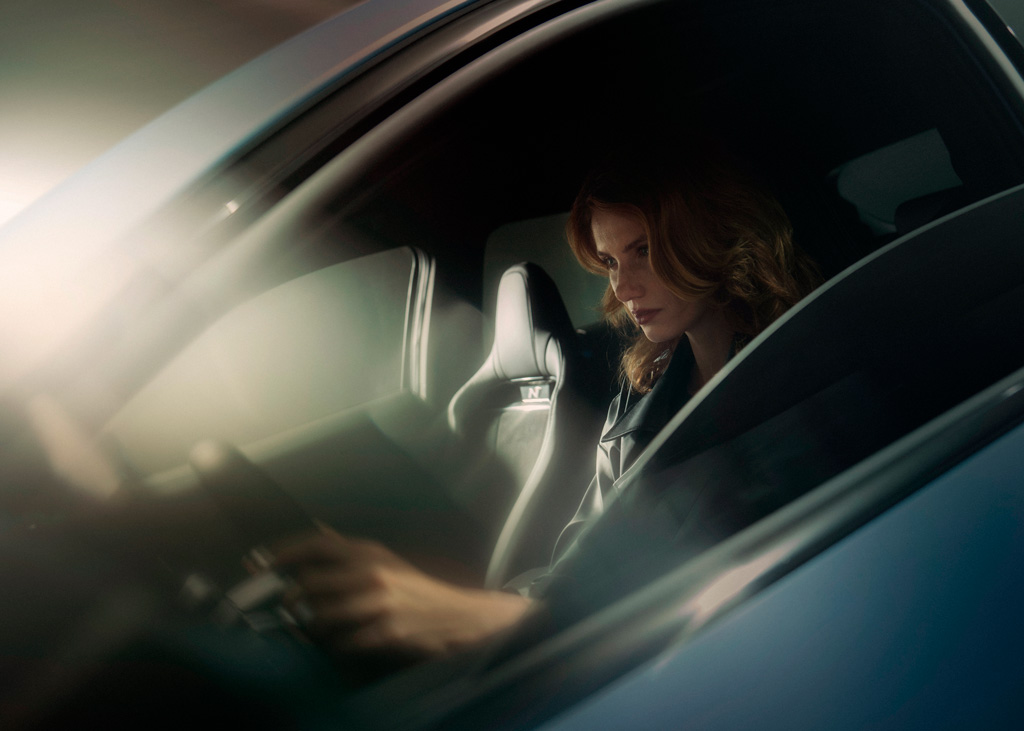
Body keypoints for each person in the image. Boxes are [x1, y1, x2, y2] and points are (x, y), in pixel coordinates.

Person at [272, 142, 820, 678]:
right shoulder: (640, 397)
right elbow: (589, 551)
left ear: (711, 238)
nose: (623, 287)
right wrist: (505, 603)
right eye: (610, 261)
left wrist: (487, 619)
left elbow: (716, 567)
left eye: (644, 251)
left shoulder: (798, 376)